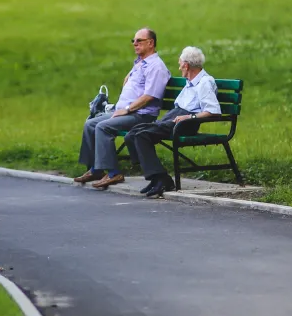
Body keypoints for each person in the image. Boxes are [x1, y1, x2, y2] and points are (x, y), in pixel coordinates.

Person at [75, 28, 171, 189]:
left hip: (141, 115)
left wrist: (126, 109)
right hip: (127, 111)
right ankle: (96, 168)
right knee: (90, 123)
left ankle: (113, 173)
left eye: (139, 40)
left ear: (151, 43)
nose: (134, 43)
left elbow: (150, 96)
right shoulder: (141, 63)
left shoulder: (156, 67)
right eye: (133, 41)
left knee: (103, 127)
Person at [124, 46, 220, 198]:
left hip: (185, 123)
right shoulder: (190, 81)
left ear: (186, 65)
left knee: (142, 135)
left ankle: (162, 179)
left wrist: (189, 117)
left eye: (180, 63)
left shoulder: (204, 82)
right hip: (175, 117)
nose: (179, 66)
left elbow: (213, 110)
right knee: (132, 134)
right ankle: (156, 177)